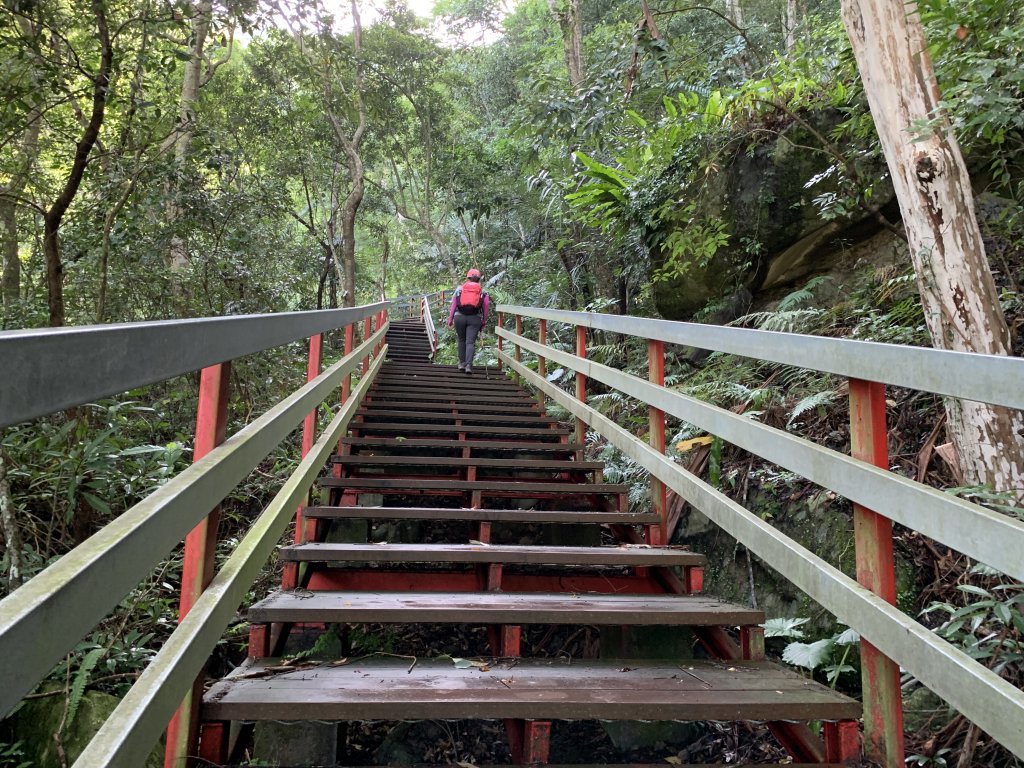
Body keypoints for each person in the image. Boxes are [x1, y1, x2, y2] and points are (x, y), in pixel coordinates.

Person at [447, 268, 490, 374]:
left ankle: (462, 363)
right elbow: (486, 306)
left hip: (459, 317)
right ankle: (468, 366)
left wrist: (450, 319)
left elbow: (454, 305)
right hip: (475, 318)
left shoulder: (459, 289)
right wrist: (483, 321)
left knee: (461, 340)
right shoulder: (482, 292)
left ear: (468, 278)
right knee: (470, 342)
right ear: (479, 279)